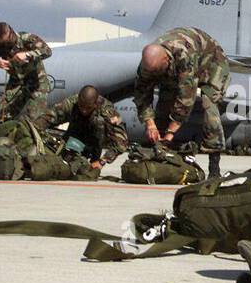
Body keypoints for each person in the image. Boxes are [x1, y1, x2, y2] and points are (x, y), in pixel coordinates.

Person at [133, 26, 229, 178]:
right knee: (164, 103)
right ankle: (164, 153)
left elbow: (186, 99)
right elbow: (141, 95)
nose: (154, 75)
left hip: (211, 62)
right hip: (177, 67)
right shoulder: (148, 64)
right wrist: (150, 124)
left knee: (209, 107)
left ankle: (214, 165)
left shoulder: (183, 57)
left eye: (158, 71)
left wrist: (170, 132)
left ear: (166, 60)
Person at [43, 84, 128, 172]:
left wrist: (102, 161)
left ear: (96, 104)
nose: (84, 111)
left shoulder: (106, 112)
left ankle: (92, 159)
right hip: (75, 139)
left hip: (97, 142)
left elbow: (121, 143)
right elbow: (48, 116)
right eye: (81, 106)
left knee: (99, 122)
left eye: (88, 108)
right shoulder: (71, 103)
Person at [0, 22, 53, 124]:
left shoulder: (27, 38)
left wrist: (28, 54)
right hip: (16, 84)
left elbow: (47, 51)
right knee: (3, 117)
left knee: (34, 121)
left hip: (36, 83)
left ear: (10, 32)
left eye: (7, 41)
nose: (6, 45)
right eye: (2, 43)